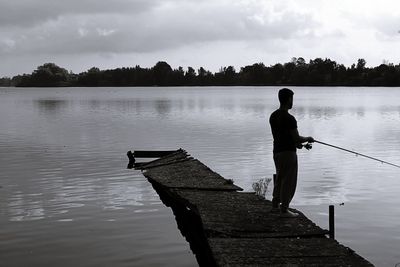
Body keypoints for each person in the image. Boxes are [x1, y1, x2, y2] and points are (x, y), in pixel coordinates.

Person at [269, 88, 314, 218]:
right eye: (292, 98)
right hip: (288, 154)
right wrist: (308, 139)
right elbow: (297, 138)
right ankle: (284, 209)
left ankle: (275, 206)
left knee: (280, 178)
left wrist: (297, 144)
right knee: (288, 181)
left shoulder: (273, 115)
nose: (292, 101)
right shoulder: (290, 118)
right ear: (289, 99)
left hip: (277, 151)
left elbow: (282, 136)